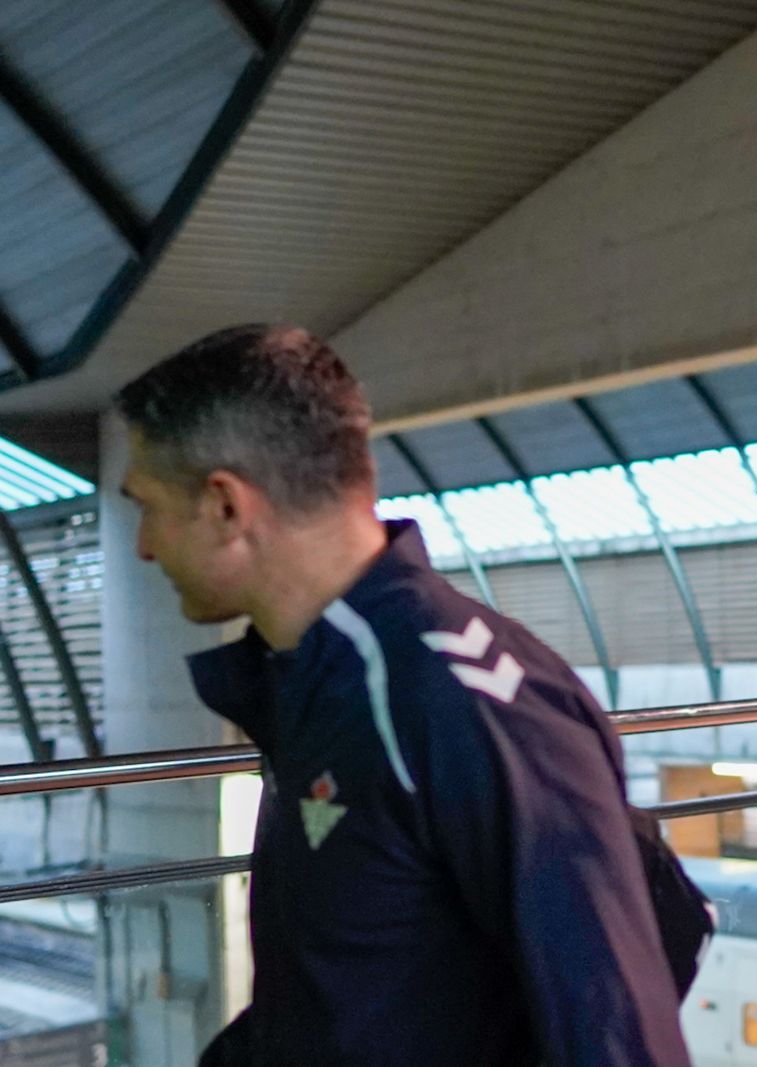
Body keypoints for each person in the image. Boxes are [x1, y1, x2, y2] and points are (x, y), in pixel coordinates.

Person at [114, 325, 691, 1067]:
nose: (144, 546)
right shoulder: (326, 680)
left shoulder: (457, 697)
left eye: (147, 506)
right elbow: (348, 990)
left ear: (226, 505)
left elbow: (617, 1032)